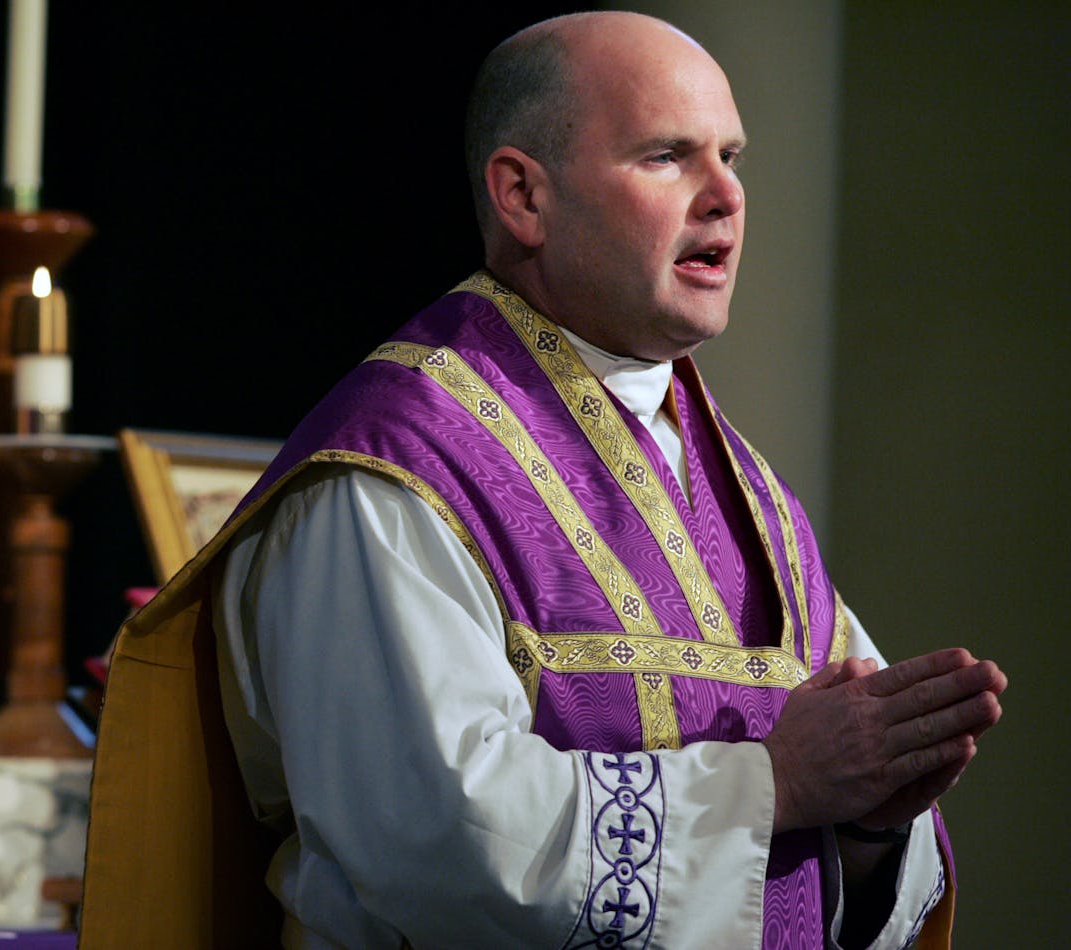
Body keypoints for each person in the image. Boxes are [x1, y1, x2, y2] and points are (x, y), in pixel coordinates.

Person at [81, 11, 1007, 949]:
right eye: (665, 157)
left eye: (731, 155)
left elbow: (834, 852)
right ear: (524, 195)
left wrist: (870, 819)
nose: (726, 194)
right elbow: (437, 845)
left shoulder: (748, 494)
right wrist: (778, 785)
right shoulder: (397, 470)